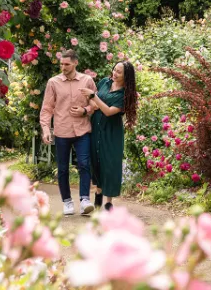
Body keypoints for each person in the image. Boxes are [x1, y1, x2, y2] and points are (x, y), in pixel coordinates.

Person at [39, 50, 97, 216]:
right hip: (62, 130)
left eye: (67, 64)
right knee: (63, 169)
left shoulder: (87, 80)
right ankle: (67, 202)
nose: (63, 67)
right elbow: (47, 108)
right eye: (61, 64)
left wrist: (85, 110)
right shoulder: (53, 82)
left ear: (75, 63)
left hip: (82, 130)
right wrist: (45, 129)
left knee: (84, 165)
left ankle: (85, 200)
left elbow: (96, 102)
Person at [88, 61, 139, 211]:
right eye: (114, 69)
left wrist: (95, 98)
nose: (114, 73)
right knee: (96, 160)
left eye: (119, 72)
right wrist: (93, 103)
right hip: (96, 127)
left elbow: (109, 111)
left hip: (112, 132)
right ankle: (98, 197)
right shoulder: (104, 82)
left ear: (126, 76)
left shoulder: (124, 94)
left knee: (109, 164)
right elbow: (94, 102)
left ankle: (108, 203)